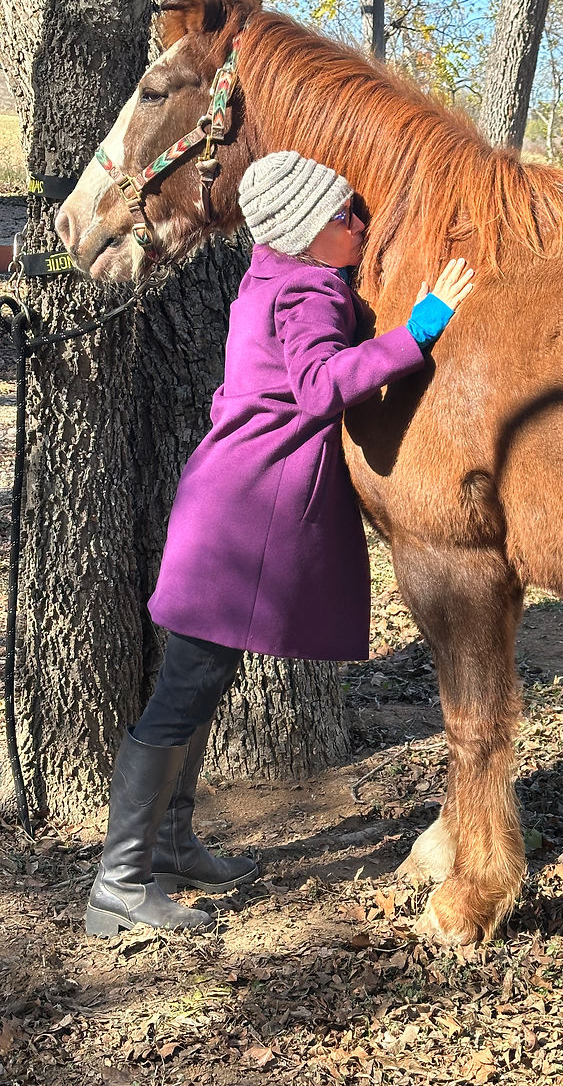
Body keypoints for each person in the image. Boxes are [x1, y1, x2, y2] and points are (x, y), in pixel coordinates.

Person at [85, 150, 474, 938]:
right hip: (244, 515)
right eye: (345, 217)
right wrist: (423, 325)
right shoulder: (304, 287)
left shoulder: (274, 271)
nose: (360, 223)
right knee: (184, 690)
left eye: (357, 207)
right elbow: (321, 385)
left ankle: (166, 843)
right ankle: (118, 883)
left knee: (198, 679)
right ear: (304, 233)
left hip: (227, 500)